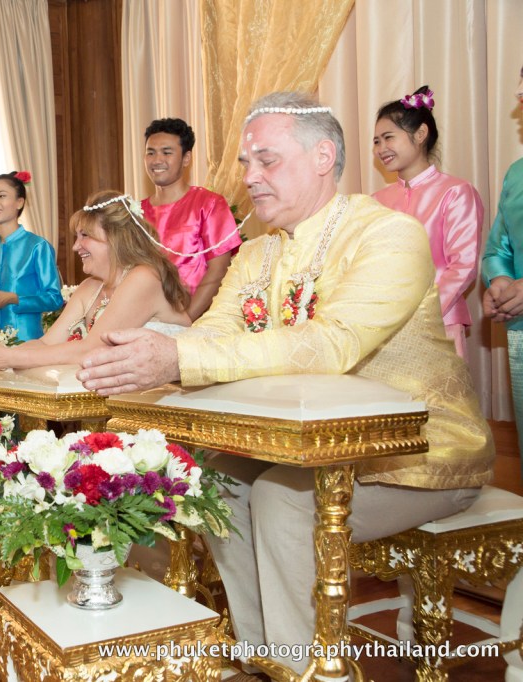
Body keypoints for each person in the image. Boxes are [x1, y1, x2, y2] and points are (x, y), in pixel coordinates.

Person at [76, 92, 493, 669]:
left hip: (419, 455)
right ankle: (263, 656)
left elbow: (332, 343)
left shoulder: (389, 235)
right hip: (302, 448)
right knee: (215, 479)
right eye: (247, 164)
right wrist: (143, 350)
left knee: (279, 497)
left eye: (266, 161)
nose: (250, 177)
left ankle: (309, 669)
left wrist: (176, 362)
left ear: (323, 157)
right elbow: (213, 333)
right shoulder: (257, 254)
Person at [0, 189, 189, 376]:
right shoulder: (90, 288)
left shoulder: (144, 278)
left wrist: (7, 359)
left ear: (117, 239)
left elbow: (93, 349)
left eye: (85, 236)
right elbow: (46, 342)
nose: (75, 246)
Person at [372, 86, 484, 359]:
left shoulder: (456, 192)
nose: (381, 148)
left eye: (388, 138)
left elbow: (462, 266)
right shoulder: (375, 201)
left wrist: (423, 313)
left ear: (420, 134)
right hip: (385, 329)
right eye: (376, 141)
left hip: (439, 323)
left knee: (438, 400)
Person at [141, 118, 242, 321]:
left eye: (167, 152)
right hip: (145, 321)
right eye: (150, 152)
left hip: (197, 322)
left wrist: (185, 321)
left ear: (186, 158)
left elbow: (219, 270)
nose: (157, 160)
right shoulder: (136, 213)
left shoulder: (210, 204)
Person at [481, 64, 523, 475]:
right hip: (520, 329)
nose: (518, 97)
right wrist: (501, 283)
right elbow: (497, 246)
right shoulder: (516, 173)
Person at [0, 171, 63, 341]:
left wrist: (13, 299)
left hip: (27, 342)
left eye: (1, 196)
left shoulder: (38, 246)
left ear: (19, 202)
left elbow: (54, 299)